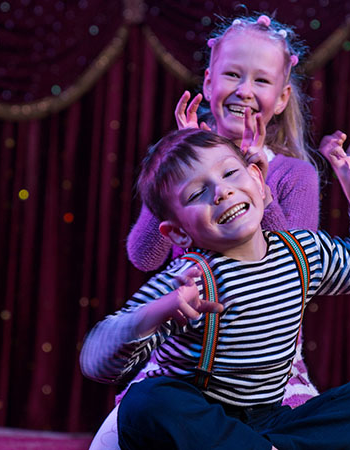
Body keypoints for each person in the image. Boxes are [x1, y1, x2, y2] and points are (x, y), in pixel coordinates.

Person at [81, 128, 350, 449]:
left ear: (258, 179)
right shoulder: (191, 278)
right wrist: (160, 310)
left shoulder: (303, 253)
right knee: (146, 401)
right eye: (197, 193)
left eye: (230, 173)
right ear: (179, 233)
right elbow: (97, 362)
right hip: (202, 427)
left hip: (270, 423)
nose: (221, 192)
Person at [126, 13, 323, 410]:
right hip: (187, 355)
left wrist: (258, 186)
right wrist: (175, 168)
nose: (244, 91)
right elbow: (144, 256)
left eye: (261, 80)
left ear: (282, 98)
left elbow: (299, 273)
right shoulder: (180, 168)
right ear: (208, 82)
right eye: (232, 75)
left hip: (266, 363)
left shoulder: (294, 176)